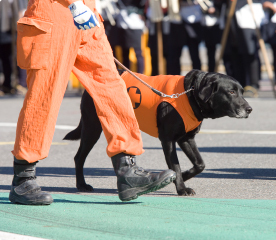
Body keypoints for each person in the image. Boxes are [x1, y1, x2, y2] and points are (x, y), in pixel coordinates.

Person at [10, 0, 176, 205]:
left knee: (112, 88)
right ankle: (23, 178)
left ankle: (127, 170)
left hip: (87, 17)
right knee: (44, 98)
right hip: (54, 13)